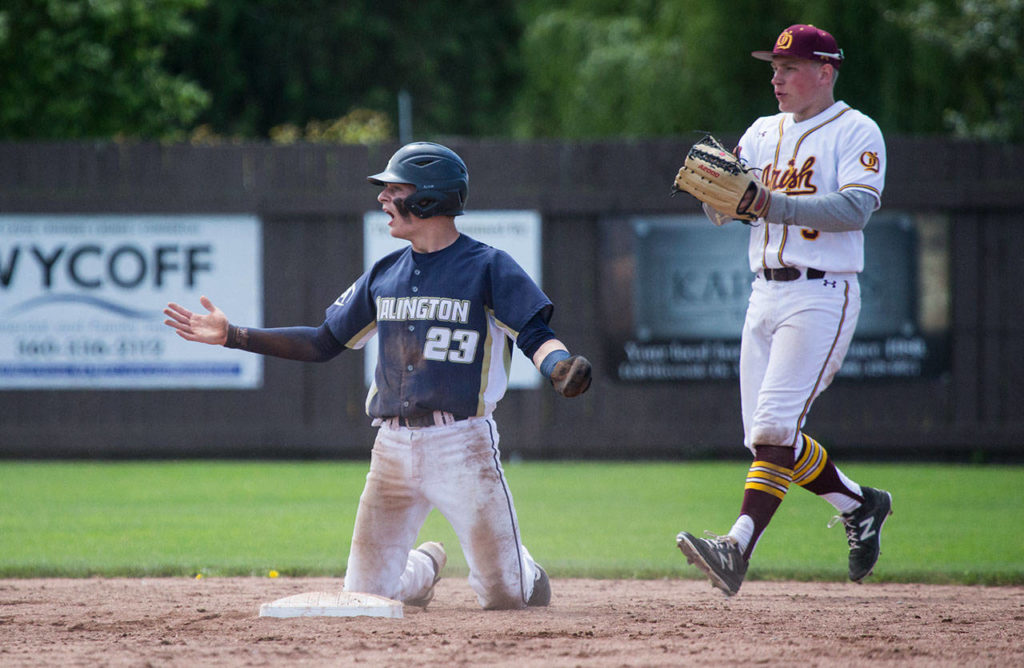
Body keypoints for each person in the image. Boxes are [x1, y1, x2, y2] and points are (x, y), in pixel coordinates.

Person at [164, 141, 592, 609]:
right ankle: (423, 569)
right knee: (365, 597)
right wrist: (234, 335)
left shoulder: (488, 267)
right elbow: (323, 341)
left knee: (505, 596)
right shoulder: (384, 274)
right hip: (391, 448)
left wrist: (558, 367)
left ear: (428, 199)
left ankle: (523, 571)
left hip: (463, 446)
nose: (383, 199)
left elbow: (533, 331)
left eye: (395, 189)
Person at [674, 25, 892, 596]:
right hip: (763, 293)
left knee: (774, 427)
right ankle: (861, 504)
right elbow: (727, 207)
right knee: (768, 440)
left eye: (789, 67)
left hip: (823, 292)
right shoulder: (760, 132)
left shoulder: (855, 129)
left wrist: (769, 202)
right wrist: (717, 200)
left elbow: (855, 208)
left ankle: (736, 548)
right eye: (773, 66)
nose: (776, 77)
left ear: (826, 71)